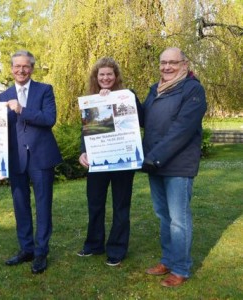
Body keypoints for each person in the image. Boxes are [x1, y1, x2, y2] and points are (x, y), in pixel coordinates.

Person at [141, 47, 207, 287]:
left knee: (178, 219)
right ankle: (168, 260)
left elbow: (182, 130)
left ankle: (181, 268)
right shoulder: (155, 89)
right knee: (163, 216)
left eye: (172, 63)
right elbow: (143, 118)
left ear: (184, 64)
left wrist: (154, 157)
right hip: (155, 163)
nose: (167, 67)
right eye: (163, 63)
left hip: (177, 164)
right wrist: (121, 98)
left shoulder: (192, 89)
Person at [0, 50, 62, 274]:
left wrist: (22, 110)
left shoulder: (45, 90)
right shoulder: (2, 96)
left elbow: (49, 119)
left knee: (43, 206)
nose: (21, 70)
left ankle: (41, 252)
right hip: (16, 159)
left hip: (41, 158)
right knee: (20, 207)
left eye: (25, 66)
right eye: (17, 66)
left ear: (32, 68)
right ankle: (26, 249)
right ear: (11, 68)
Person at [77, 57, 143, 267]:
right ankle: (94, 244)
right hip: (98, 160)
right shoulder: (91, 101)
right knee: (94, 203)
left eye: (109, 74)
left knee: (121, 205)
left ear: (116, 77)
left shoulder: (128, 95)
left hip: (122, 160)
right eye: (101, 74)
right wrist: (82, 152)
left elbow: (140, 119)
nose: (105, 78)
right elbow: (87, 132)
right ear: (96, 77)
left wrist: (119, 98)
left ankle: (117, 249)